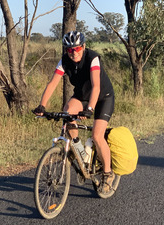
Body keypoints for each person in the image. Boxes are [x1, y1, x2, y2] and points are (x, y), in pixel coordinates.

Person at [33, 31, 115, 195]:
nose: (74, 53)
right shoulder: (64, 61)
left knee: (98, 136)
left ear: (83, 47)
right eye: (70, 50)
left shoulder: (93, 58)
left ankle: (108, 174)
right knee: (67, 112)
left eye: (77, 48)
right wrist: (42, 106)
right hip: (82, 96)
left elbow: (96, 86)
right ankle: (78, 148)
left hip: (103, 97)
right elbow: (52, 83)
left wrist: (90, 109)